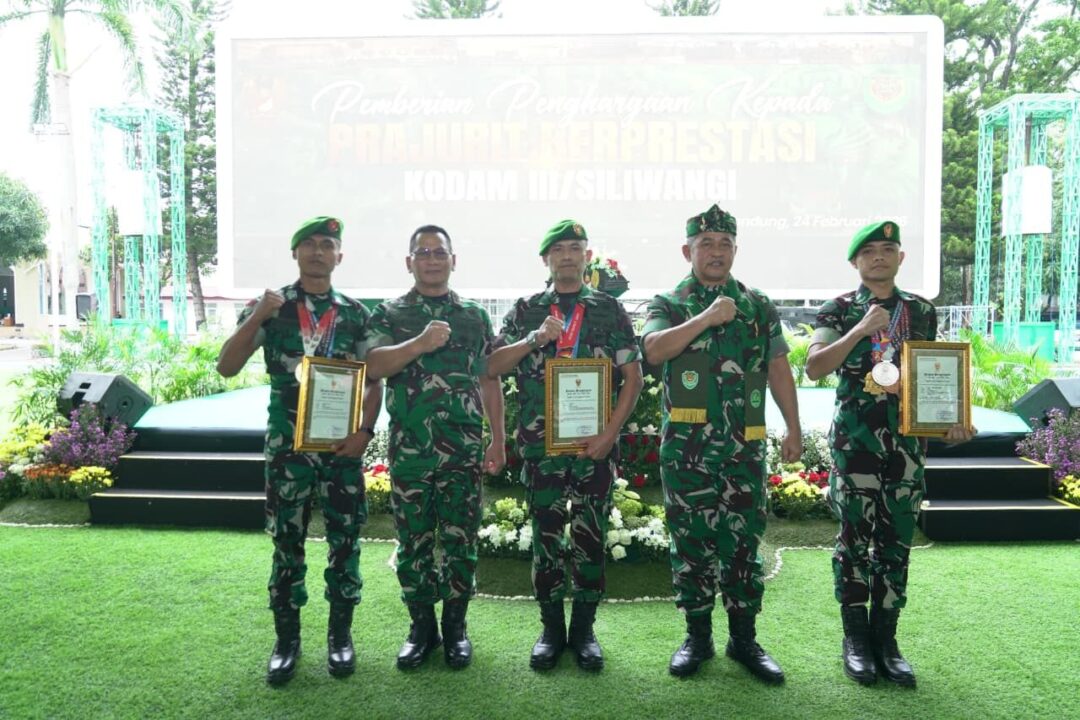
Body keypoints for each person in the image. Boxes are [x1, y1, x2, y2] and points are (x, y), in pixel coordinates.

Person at [806, 220, 975, 687]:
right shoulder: (837, 309)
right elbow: (816, 366)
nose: (879, 257)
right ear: (856, 263)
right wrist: (860, 330)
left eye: (888, 249)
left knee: (897, 539)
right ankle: (856, 638)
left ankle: (887, 637)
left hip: (905, 448)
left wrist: (949, 424)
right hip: (854, 446)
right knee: (853, 539)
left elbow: (935, 378)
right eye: (869, 251)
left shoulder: (922, 311)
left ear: (901, 258)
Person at [216, 216, 381, 685]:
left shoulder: (354, 313)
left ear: (339, 256)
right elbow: (227, 366)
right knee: (287, 543)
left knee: (345, 542)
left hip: (341, 449)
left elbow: (374, 379)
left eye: (326, 244)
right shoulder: (272, 307)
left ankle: (340, 638)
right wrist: (256, 317)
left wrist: (365, 433)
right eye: (308, 244)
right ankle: (286, 642)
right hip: (287, 448)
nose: (317, 251)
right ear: (295, 254)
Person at [641, 204, 801, 682]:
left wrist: (792, 427)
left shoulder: (758, 305)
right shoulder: (668, 303)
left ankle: (744, 640)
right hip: (688, 452)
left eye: (724, 243)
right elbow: (653, 351)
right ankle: (697, 637)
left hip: (744, 448)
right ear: (687, 250)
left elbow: (777, 367)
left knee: (742, 544)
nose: (716, 252)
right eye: (706, 244)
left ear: (735, 249)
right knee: (691, 544)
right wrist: (706, 317)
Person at [487, 219, 643, 672]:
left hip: (594, 447)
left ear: (587, 256)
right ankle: (551, 629)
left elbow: (631, 378)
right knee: (547, 539)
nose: (569, 256)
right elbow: (492, 366)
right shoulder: (525, 309)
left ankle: (584, 631)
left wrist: (609, 434)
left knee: (591, 538)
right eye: (560, 249)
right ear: (546, 260)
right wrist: (535, 337)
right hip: (542, 449)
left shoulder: (609, 310)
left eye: (576, 247)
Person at [365, 225, 506, 671]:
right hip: (411, 452)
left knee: (461, 541)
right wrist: (420, 342)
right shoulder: (388, 314)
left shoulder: (473, 316)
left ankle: (457, 629)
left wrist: (497, 438)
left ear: (453, 259)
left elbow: (489, 376)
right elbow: (372, 365)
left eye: (439, 252)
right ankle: (421, 628)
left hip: (462, 451)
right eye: (422, 252)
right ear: (409, 262)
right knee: (413, 542)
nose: (431, 259)